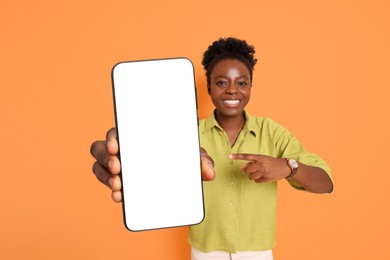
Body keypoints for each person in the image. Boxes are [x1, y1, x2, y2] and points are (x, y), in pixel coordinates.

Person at [90, 37, 334, 260]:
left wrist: (287, 167)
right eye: (221, 82)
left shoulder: (272, 132)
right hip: (204, 253)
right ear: (208, 88)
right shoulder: (185, 133)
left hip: (258, 254)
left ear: (250, 87)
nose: (231, 90)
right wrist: (133, 155)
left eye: (241, 82)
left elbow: (326, 183)